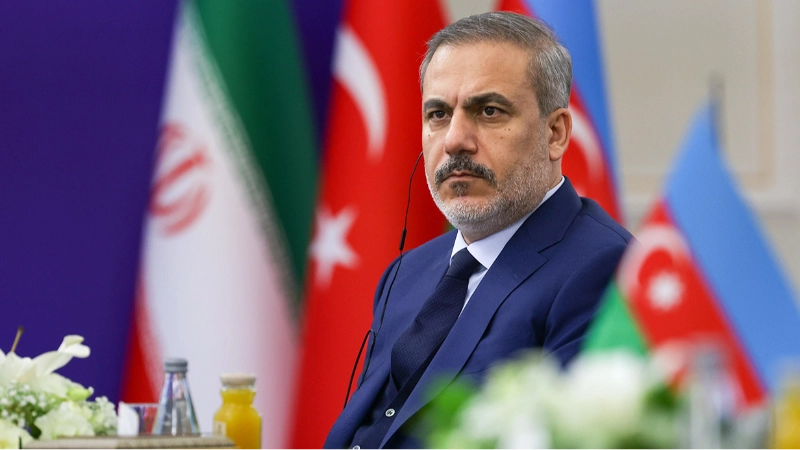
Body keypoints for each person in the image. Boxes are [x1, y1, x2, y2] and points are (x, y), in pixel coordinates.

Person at [325, 11, 633, 450]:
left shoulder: (606, 269)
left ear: (555, 133)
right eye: (438, 114)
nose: (454, 140)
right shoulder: (406, 272)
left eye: (488, 111)